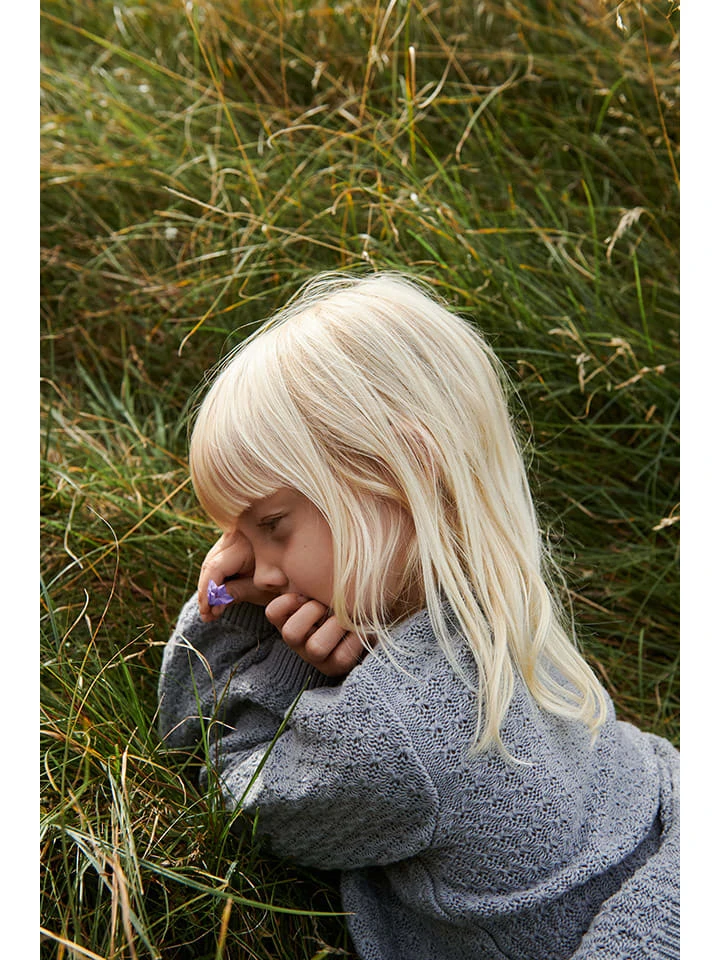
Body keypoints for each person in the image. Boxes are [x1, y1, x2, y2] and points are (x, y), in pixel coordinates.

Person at [158, 273, 679, 960]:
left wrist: (229, 615)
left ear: (404, 471)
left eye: (272, 525)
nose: (254, 566)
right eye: (237, 536)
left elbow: (223, 782)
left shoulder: (392, 737)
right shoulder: (501, 611)